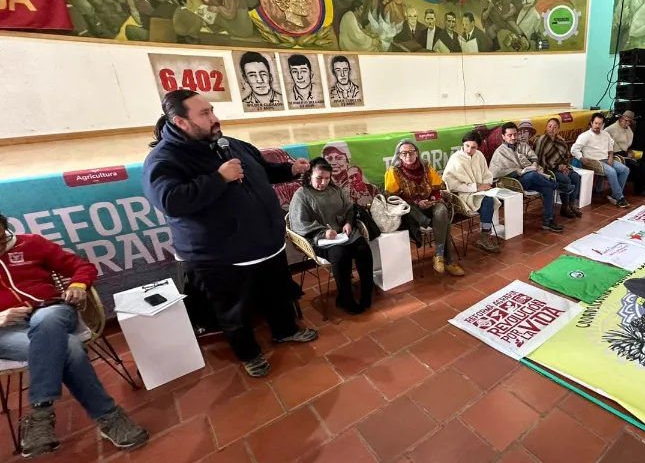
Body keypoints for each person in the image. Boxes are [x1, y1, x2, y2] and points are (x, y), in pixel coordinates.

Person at [142, 90, 318, 378]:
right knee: (233, 312)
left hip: (266, 245)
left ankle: (285, 331)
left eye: (212, 110)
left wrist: (288, 169)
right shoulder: (164, 160)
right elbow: (171, 202)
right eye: (205, 114)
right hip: (220, 257)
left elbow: (261, 170)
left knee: (277, 296)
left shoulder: (230, 144)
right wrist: (218, 179)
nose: (215, 118)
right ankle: (249, 354)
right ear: (181, 122)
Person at [0, 212, 149, 458]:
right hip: (6, 332)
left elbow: (82, 266)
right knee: (68, 347)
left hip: (50, 313)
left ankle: (39, 416)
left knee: (45, 319)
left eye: (2, 238)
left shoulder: (31, 244)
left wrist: (78, 285)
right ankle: (109, 417)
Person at [289, 158, 375, 314]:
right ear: (309, 176)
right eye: (319, 178)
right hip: (319, 239)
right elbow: (299, 224)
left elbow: (350, 208)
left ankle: (366, 291)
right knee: (340, 254)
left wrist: (349, 222)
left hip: (342, 233)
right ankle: (345, 298)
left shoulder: (335, 190)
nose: (323, 182)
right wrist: (323, 232)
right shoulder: (302, 195)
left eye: (327, 178)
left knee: (363, 248)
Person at [385, 140, 465, 276]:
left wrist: (432, 199)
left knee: (441, 210)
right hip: (411, 211)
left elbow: (437, 187)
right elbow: (393, 198)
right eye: (404, 153)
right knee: (443, 222)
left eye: (411, 152)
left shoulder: (426, 167)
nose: (408, 156)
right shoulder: (394, 172)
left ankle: (439, 256)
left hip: (429, 204)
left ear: (417, 153)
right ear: (398, 155)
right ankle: (448, 261)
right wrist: (416, 201)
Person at [489, 122, 568, 231]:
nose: (513, 137)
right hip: (513, 182)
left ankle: (547, 221)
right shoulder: (500, 152)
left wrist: (534, 163)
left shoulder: (523, 146)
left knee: (547, 189)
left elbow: (533, 156)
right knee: (532, 175)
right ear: (503, 136)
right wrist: (518, 172)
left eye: (515, 134)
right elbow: (496, 172)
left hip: (531, 177)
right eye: (510, 135)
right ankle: (557, 185)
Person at [442, 131, 502, 253]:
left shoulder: (479, 155)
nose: (469, 150)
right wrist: (475, 187)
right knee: (488, 201)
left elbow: (486, 173)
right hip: (463, 195)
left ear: (478, 147)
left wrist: (486, 185)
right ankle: (485, 236)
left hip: (480, 192)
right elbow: (451, 183)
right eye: (467, 146)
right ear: (463, 144)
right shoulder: (456, 159)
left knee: (488, 199)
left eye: (473, 147)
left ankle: (485, 235)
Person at [572, 113, 631, 208]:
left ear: (602, 124)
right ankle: (620, 198)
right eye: (595, 123)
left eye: (600, 124)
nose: (597, 126)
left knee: (625, 170)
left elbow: (610, 146)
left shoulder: (605, 134)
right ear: (591, 123)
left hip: (606, 159)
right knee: (612, 172)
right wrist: (581, 158)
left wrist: (611, 157)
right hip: (594, 162)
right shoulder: (585, 136)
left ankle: (614, 195)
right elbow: (574, 149)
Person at [534, 117, 581, 218]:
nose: (552, 129)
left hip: (561, 168)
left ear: (558, 129)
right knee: (566, 180)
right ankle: (564, 207)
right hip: (548, 170)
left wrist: (564, 166)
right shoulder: (541, 140)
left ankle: (571, 204)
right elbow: (538, 160)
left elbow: (566, 156)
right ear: (546, 127)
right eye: (550, 126)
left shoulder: (560, 140)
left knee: (576, 177)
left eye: (555, 127)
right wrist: (556, 167)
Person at [604, 111, 645, 198]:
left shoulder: (628, 129)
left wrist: (629, 151)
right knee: (636, 166)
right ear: (620, 119)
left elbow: (627, 144)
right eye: (624, 120)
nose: (626, 123)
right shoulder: (611, 130)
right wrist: (626, 153)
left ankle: (644, 188)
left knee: (643, 163)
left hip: (624, 153)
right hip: (615, 154)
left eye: (628, 121)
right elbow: (611, 146)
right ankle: (640, 189)